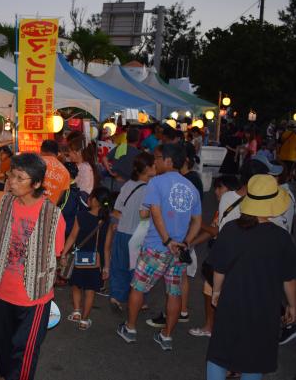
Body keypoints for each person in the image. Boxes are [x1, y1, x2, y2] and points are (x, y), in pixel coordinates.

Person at [205, 174, 296, 380]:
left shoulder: (230, 230)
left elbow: (219, 268)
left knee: (220, 354)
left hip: (231, 301)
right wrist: (292, 305)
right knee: (254, 359)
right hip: (264, 308)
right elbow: (288, 279)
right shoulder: (281, 238)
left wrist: (217, 292)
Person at [117, 143, 201, 351]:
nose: (155, 161)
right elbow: (197, 221)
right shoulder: (191, 187)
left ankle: (130, 328)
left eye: (158, 157)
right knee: (174, 293)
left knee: (138, 287)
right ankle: (166, 336)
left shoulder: (157, 182)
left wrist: (166, 240)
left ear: (169, 161)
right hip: (179, 251)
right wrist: (185, 243)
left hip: (157, 246)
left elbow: (151, 212)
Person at [0, 153, 65, 380]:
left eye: (19, 178)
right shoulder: (5, 203)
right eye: (11, 176)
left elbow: (57, 252)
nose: (12, 182)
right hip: (3, 291)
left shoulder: (53, 215)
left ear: (37, 183)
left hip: (34, 297)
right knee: (2, 346)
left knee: (24, 355)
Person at [188, 175, 240, 338]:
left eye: (220, 187)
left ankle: (213, 327)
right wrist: (192, 242)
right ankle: (214, 326)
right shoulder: (225, 206)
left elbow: (216, 231)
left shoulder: (232, 207)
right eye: (216, 187)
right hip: (223, 255)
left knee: (213, 291)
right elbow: (212, 231)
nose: (216, 191)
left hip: (227, 257)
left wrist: (197, 221)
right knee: (212, 290)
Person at [108, 152, 156, 310]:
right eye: (154, 165)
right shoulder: (151, 189)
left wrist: (116, 224)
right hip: (140, 236)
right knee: (138, 269)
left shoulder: (128, 185)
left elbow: (116, 211)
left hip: (122, 232)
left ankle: (117, 297)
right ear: (148, 168)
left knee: (119, 266)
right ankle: (139, 300)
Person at [61, 187, 111, 330]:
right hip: (96, 263)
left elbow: (72, 237)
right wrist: (106, 267)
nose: (88, 199)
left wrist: (64, 253)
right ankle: (84, 320)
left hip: (78, 259)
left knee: (76, 285)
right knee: (90, 291)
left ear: (95, 200)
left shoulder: (81, 216)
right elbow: (107, 248)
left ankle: (76, 312)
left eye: (90, 197)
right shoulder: (106, 222)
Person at [40, 139, 70, 205]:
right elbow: (60, 198)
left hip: (31, 208)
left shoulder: (35, 163)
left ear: (41, 150)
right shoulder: (65, 172)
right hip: (50, 210)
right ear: (57, 153)